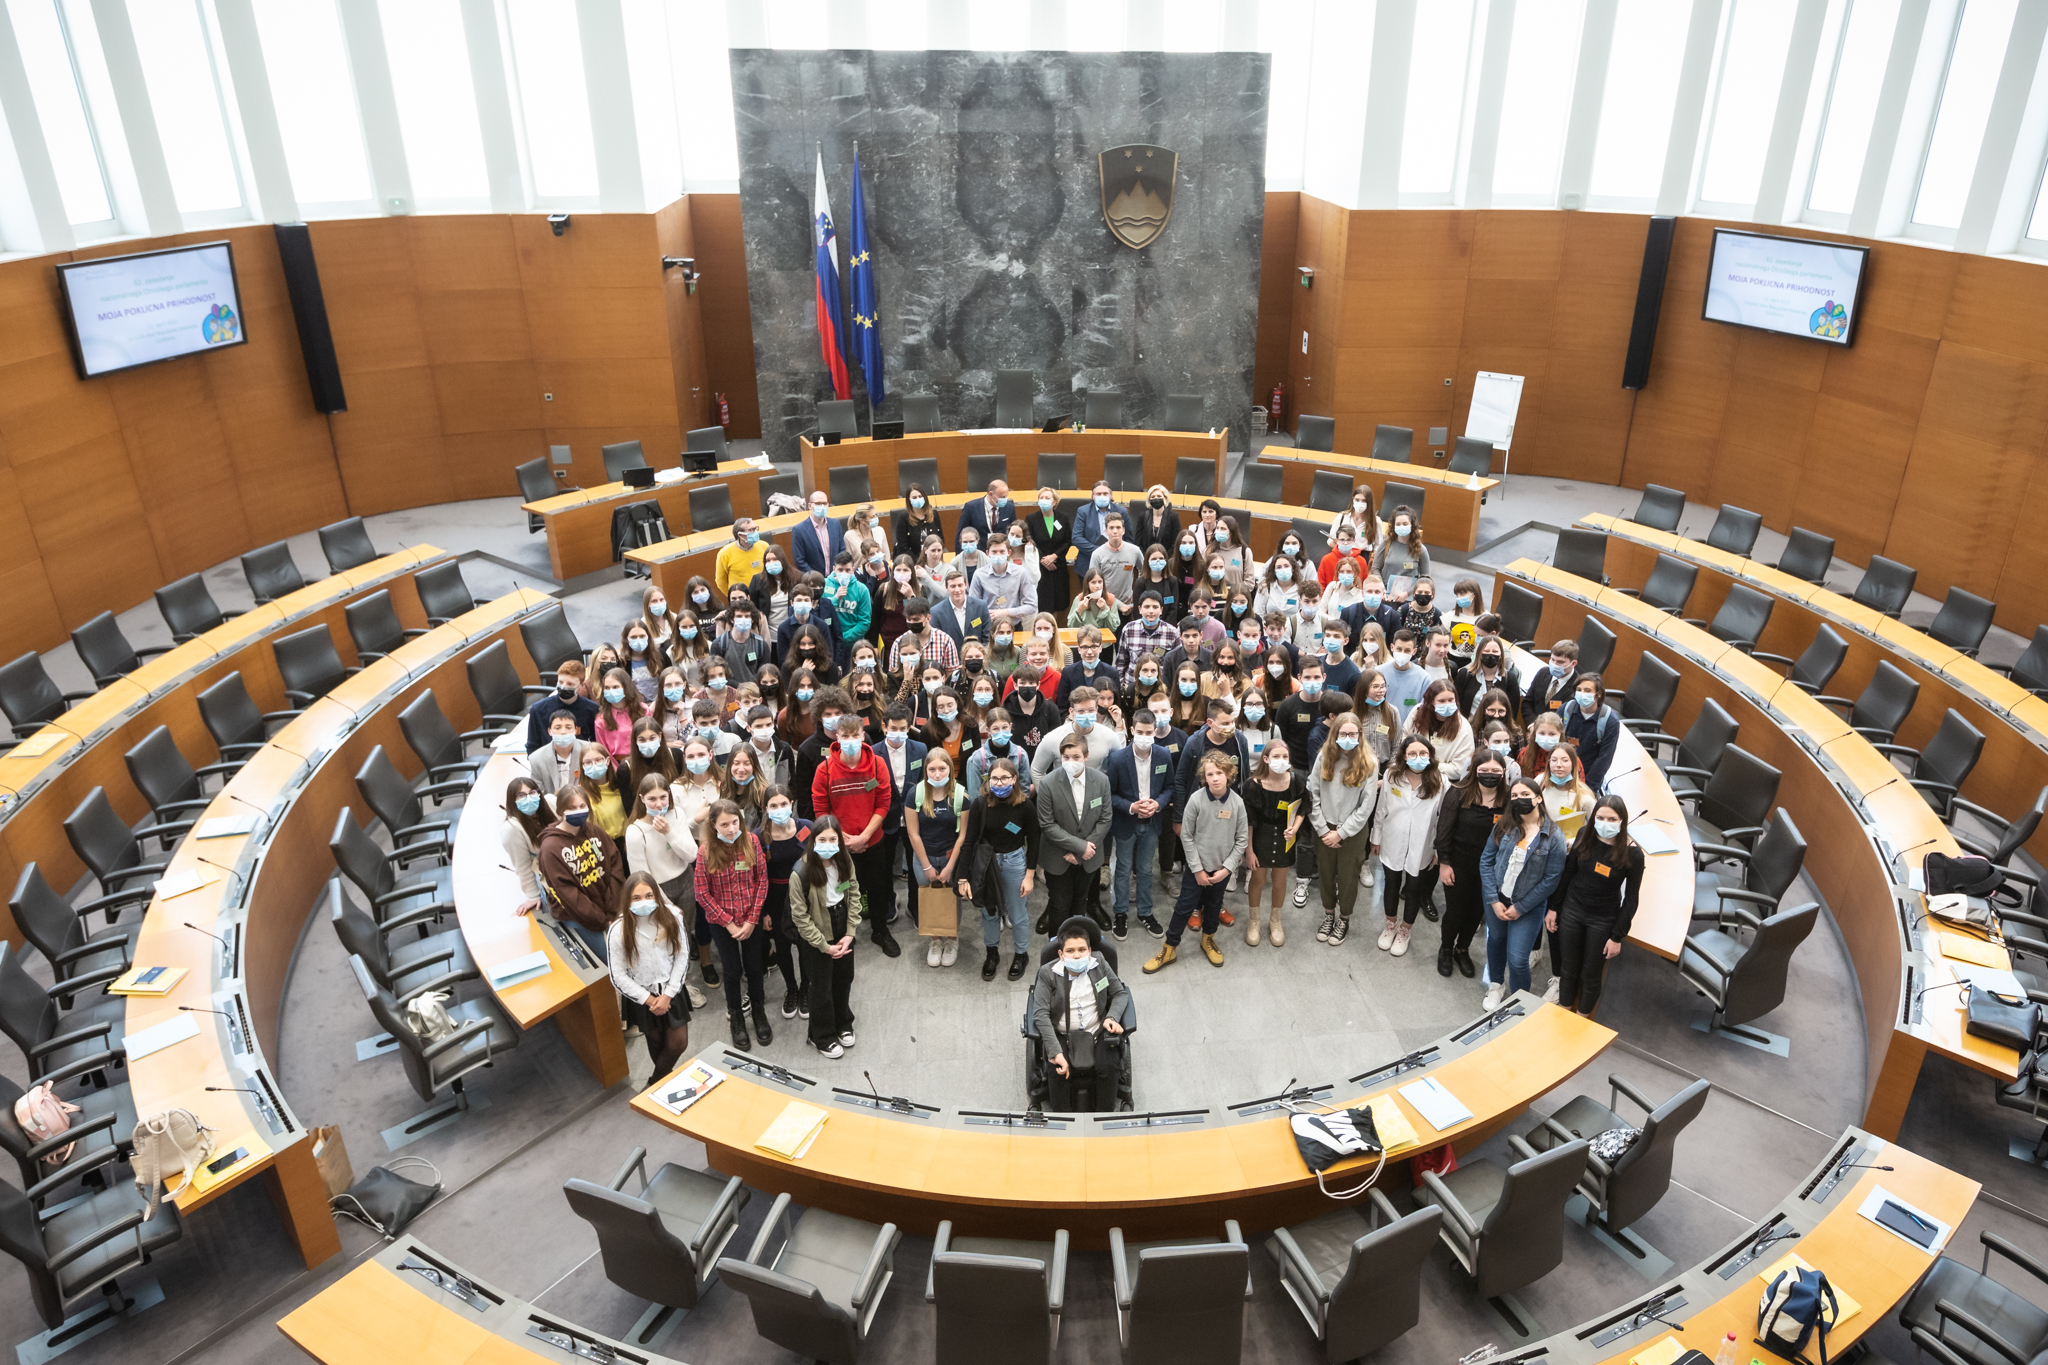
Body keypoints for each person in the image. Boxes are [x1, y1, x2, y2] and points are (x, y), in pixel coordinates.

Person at [1147, 750, 1247, 972]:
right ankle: (1170, 946)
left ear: (1229, 774)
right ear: (1205, 777)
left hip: (1222, 870)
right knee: (1184, 907)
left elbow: (1241, 840)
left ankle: (1208, 939)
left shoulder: (1238, 803)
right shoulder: (1196, 799)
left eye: (1219, 772)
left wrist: (1227, 869)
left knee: (1213, 906)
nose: (1215, 778)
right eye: (1210, 774)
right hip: (1197, 869)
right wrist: (1198, 870)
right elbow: (1187, 836)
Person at [810, 714, 901, 957]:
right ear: (837, 737)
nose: (850, 740)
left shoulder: (878, 764)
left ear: (863, 736)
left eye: (855, 736)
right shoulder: (825, 770)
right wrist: (844, 840)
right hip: (839, 845)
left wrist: (864, 837)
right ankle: (844, 932)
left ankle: (880, 930)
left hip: (873, 841)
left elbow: (883, 803)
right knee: (843, 888)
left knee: (878, 887)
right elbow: (821, 810)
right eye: (845, 736)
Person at [1546, 794, 1643, 1016]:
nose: (1605, 823)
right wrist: (1554, 908)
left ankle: (1580, 1021)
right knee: (1568, 969)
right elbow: (1568, 873)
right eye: (1600, 817)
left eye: (1612, 819)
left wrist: (1618, 936)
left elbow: (1631, 899)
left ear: (1622, 821)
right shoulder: (1584, 835)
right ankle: (1563, 1014)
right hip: (1572, 910)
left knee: (1591, 974)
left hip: (1603, 918)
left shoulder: (1633, 853)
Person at [1480, 778, 1569, 1009]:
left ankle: (1519, 1003)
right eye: (1515, 795)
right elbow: (1486, 861)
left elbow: (1551, 880)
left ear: (1539, 798)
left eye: (1525, 794)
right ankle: (1496, 985)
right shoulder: (1504, 825)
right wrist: (1493, 899)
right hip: (1497, 898)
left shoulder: (1554, 836)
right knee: (1495, 941)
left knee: (1518, 960)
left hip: (1528, 906)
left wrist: (1520, 907)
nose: (1520, 799)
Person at [622, 773, 709, 1009]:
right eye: (652, 799)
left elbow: (691, 854)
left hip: (685, 880)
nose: (659, 804)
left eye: (663, 797)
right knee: (666, 940)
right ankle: (672, 989)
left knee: (684, 939)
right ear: (641, 798)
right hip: (659, 890)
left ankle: (683, 982)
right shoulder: (635, 831)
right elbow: (641, 877)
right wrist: (665, 904)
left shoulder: (677, 815)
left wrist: (669, 831)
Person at [1031, 919, 1131, 1113]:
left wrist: (1112, 1018)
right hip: (1062, 1034)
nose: (1077, 956)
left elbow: (1119, 993)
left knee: (1109, 1066)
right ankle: (1064, 1122)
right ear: (1061, 954)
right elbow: (1041, 1014)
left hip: (1097, 1030)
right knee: (1057, 1069)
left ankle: (1104, 1117)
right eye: (1070, 951)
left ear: (1089, 950)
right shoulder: (1047, 973)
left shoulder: (1100, 963)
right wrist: (1055, 1051)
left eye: (1081, 950)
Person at [695, 799, 773, 1050]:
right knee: (731, 970)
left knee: (754, 966)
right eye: (724, 824)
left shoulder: (751, 842)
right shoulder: (705, 852)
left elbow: (762, 880)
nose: (731, 829)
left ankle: (758, 1011)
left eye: (735, 822)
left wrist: (752, 919)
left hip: (751, 917)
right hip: (722, 922)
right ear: (714, 825)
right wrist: (728, 924)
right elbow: (702, 894)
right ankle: (736, 1016)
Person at [959, 756, 1040, 980]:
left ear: (1015, 779)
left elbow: (1034, 841)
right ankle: (992, 953)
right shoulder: (980, 804)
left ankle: (1021, 954)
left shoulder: (1025, 806)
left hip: (1015, 862)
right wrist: (962, 877)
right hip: (987, 865)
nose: (1000, 783)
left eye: (1005, 778)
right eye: (995, 778)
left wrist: (1030, 876)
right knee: (990, 912)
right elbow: (969, 842)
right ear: (988, 780)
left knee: (1017, 913)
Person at [606, 873, 692, 1079]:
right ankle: (664, 1083)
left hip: (671, 992)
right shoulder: (618, 930)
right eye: (636, 898)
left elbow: (682, 956)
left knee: (678, 1043)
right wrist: (650, 1000)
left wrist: (668, 995)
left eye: (648, 895)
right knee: (656, 1042)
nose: (643, 902)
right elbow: (617, 975)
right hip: (643, 997)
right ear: (627, 899)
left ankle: (654, 1082)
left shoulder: (673, 917)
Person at [788, 815, 860, 1057]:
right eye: (822, 839)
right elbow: (800, 918)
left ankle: (843, 1023)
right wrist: (824, 946)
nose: (828, 844)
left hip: (842, 924)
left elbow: (855, 895)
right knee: (821, 988)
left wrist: (850, 933)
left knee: (844, 979)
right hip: (816, 934)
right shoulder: (801, 872)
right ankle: (821, 1036)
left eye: (833, 839)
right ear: (813, 840)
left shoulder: (845, 861)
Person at [1370, 737, 1447, 957]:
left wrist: (1438, 850)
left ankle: (1405, 930)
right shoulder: (1392, 777)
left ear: (1430, 755)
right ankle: (1390, 925)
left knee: (1414, 889)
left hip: (1424, 845)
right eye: (1412, 754)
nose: (1418, 758)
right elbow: (1382, 809)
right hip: (1392, 840)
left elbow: (1443, 819)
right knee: (1391, 884)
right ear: (1404, 756)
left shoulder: (1440, 781)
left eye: (1423, 753)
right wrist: (1376, 837)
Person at [1307, 712, 1379, 946]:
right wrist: (1322, 829)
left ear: (1360, 735)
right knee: (1326, 874)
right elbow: (1312, 794)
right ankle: (1329, 915)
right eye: (1343, 733)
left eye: (1352, 734)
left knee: (1348, 878)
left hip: (1352, 831)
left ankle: (1344, 918)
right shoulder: (1324, 757)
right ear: (1335, 734)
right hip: (1324, 827)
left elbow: (1366, 807)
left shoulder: (1370, 762)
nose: (1348, 737)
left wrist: (1341, 832)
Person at [1434, 750, 1506, 978]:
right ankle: (1446, 948)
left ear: (1504, 772)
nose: (1490, 775)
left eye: (1496, 771)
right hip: (1458, 863)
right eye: (1484, 770)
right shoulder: (1458, 794)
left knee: (1476, 912)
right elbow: (1443, 832)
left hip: (1489, 868)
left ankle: (1461, 949)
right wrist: (1444, 863)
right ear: (1475, 770)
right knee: (1455, 911)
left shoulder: (1508, 799)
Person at [1107, 707, 1174, 940]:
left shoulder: (1164, 756)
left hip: (1152, 822)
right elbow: (1110, 794)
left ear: (1155, 731)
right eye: (1140, 732)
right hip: (1126, 822)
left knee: (1146, 869)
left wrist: (1158, 804)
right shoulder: (1117, 759)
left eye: (1149, 732)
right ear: (1132, 730)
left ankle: (1145, 912)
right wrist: (1132, 806)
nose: (1145, 737)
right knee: (1123, 869)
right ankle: (1121, 913)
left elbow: (1169, 788)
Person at [538, 783, 623, 963]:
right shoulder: (550, 848)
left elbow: (615, 865)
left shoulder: (594, 831)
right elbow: (568, 894)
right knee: (606, 962)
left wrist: (611, 909)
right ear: (561, 811)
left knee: (621, 957)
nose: (578, 811)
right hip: (581, 918)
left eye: (582, 806)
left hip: (608, 910)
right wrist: (601, 920)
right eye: (571, 808)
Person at [1038, 732, 1112, 934]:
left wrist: (1083, 851)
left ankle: (1078, 949)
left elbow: (1105, 819)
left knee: (1080, 904)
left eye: (1076, 757)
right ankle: (1057, 951)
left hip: (1089, 857)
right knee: (1059, 906)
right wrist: (1079, 847)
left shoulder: (1101, 781)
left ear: (1086, 757)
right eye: (1066, 757)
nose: (1071, 762)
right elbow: (1047, 824)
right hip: (1058, 856)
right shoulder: (1048, 784)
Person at [906, 749, 968, 968]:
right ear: (926, 771)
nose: (938, 773)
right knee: (929, 899)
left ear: (950, 770)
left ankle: (952, 938)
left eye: (942, 769)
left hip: (952, 858)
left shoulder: (961, 794)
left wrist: (951, 867)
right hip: (924, 859)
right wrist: (927, 866)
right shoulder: (915, 794)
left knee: (952, 899)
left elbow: (963, 836)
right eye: (932, 769)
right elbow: (913, 834)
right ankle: (935, 939)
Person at [1243, 740, 1306, 947]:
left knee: (1280, 879)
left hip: (1285, 837)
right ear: (1266, 759)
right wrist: (1249, 850)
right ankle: (1254, 921)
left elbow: (1305, 807)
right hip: (1261, 835)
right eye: (1276, 757)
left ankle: (1275, 921)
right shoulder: (1252, 785)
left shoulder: (1297, 781)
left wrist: (1295, 828)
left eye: (1285, 757)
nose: (1281, 761)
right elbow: (1249, 822)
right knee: (1258, 878)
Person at [760, 784, 811, 1020]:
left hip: (803, 896)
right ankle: (791, 988)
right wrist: (764, 912)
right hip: (775, 899)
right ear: (766, 808)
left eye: (783, 804)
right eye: (773, 805)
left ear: (792, 804)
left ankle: (806, 988)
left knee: (804, 945)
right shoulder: (759, 836)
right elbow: (756, 878)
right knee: (782, 947)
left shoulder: (806, 828)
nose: (779, 809)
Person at [1408, 678, 1475, 783]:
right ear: (1431, 701)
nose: (1447, 704)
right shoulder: (1416, 714)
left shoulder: (1464, 727)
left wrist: (1427, 766)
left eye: (1451, 700)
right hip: (1412, 776)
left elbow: (1460, 768)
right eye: (1442, 701)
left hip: (1445, 782)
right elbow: (1405, 739)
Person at [1562, 671, 1620, 789]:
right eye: (1579, 690)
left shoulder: (1610, 722)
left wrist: (1585, 787)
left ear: (1598, 694)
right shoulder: (1566, 710)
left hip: (1587, 780)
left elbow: (1604, 759)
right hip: (1561, 774)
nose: (1582, 694)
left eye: (1587, 691)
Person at [524, 660, 598, 752]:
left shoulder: (592, 709)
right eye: (561, 682)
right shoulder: (538, 709)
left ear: (582, 685)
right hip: (548, 761)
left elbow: (595, 743)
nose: (563, 687)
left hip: (579, 761)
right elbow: (533, 745)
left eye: (570, 684)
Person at [1022, 487, 1073, 616]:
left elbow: (1068, 540)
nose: (1043, 500)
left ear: (1054, 502)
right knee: (1043, 602)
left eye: (1047, 498)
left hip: (1058, 566)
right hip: (1040, 567)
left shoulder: (1063, 518)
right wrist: (1044, 559)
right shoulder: (1031, 518)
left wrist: (1055, 556)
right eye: (1041, 498)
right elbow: (1030, 541)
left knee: (1057, 602)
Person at [501, 775, 550, 904]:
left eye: (532, 792)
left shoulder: (550, 803)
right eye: (521, 795)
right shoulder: (512, 829)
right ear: (513, 801)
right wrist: (534, 896)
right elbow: (523, 867)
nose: (529, 798)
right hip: (547, 875)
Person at [1454, 635, 1521, 722]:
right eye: (1486, 651)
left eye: (1495, 651)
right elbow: (1456, 704)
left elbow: (1513, 712)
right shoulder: (1464, 675)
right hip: (1469, 728)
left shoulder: (1510, 679)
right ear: (1479, 654)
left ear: (1501, 654)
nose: (1490, 654)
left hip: (1497, 731)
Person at [1089, 512, 1142, 620]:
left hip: (1127, 607)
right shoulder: (1097, 554)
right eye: (1111, 528)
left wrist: (1136, 593)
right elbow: (1093, 585)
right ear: (1106, 531)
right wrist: (1117, 604)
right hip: (1104, 606)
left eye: (1118, 527)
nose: (1115, 531)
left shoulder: (1135, 551)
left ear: (1123, 530)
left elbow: (1145, 573)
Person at [1070, 480, 1128, 569]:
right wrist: (1099, 551)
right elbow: (1076, 538)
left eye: (1105, 494)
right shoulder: (1083, 511)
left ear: (1111, 496)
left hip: (1116, 562)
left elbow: (1128, 538)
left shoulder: (1122, 511)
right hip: (1088, 562)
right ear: (1093, 496)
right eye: (1098, 494)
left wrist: (1115, 552)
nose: (1102, 496)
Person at [1373, 506, 1429, 596]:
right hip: (1385, 595)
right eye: (1398, 524)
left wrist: (1407, 593)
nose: (1401, 527)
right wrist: (1381, 587)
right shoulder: (1386, 544)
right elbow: (1375, 568)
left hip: (1408, 598)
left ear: (1412, 525)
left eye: (1405, 524)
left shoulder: (1421, 550)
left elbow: (1425, 578)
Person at [931, 568, 991, 646]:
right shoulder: (936, 612)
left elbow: (988, 638)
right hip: (950, 657)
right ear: (946, 587)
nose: (957, 590)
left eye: (960, 585)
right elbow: (937, 642)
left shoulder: (980, 606)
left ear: (966, 585)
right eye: (953, 586)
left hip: (977, 656)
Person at [793, 490, 847, 577]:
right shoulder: (799, 530)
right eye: (818, 504)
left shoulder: (835, 524)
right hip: (814, 581)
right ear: (810, 505)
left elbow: (842, 550)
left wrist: (838, 570)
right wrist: (815, 577)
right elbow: (799, 561)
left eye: (824, 503)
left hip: (835, 577)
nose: (822, 506)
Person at [529, 708, 584, 794]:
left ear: (575, 730)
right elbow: (539, 795)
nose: (563, 732)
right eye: (558, 728)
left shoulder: (588, 751)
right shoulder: (536, 759)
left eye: (568, 727)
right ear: (550, 731)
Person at [958, 479, 1017, 552]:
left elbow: (1013, 532)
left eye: (1006, 496)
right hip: (978, 553)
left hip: (1001, 552)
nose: (1005, 499)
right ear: (990, 494)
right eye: (1002, 497)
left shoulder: (1009, 508)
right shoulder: (971, 507)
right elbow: (961, 534)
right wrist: (960, 559)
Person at [1526, 638, 1581, 717]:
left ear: (1573, 664)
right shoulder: (1543, 673)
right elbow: (1528, 702)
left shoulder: (1578, 687)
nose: (1555, 664)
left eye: (1560, 662)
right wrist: (1531, 725)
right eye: (1552, 659)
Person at [715, 517, 768, 598]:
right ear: (740, 535)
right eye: (751, 530)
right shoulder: (725, 553)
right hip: (740, 598)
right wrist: (734, 596)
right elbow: (720, 581)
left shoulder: (764, 546)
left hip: (762, 594)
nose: (755, 532)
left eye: (755, 529)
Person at [894, 482, 941, 561]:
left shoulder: (934, 514)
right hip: (912, 560)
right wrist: (918, 562)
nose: (918, 499)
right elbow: (903, 546)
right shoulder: (903, 518)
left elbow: (940, 538)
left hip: (933, 558)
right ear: (909, 499)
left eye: (920, 496)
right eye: (914, 497)